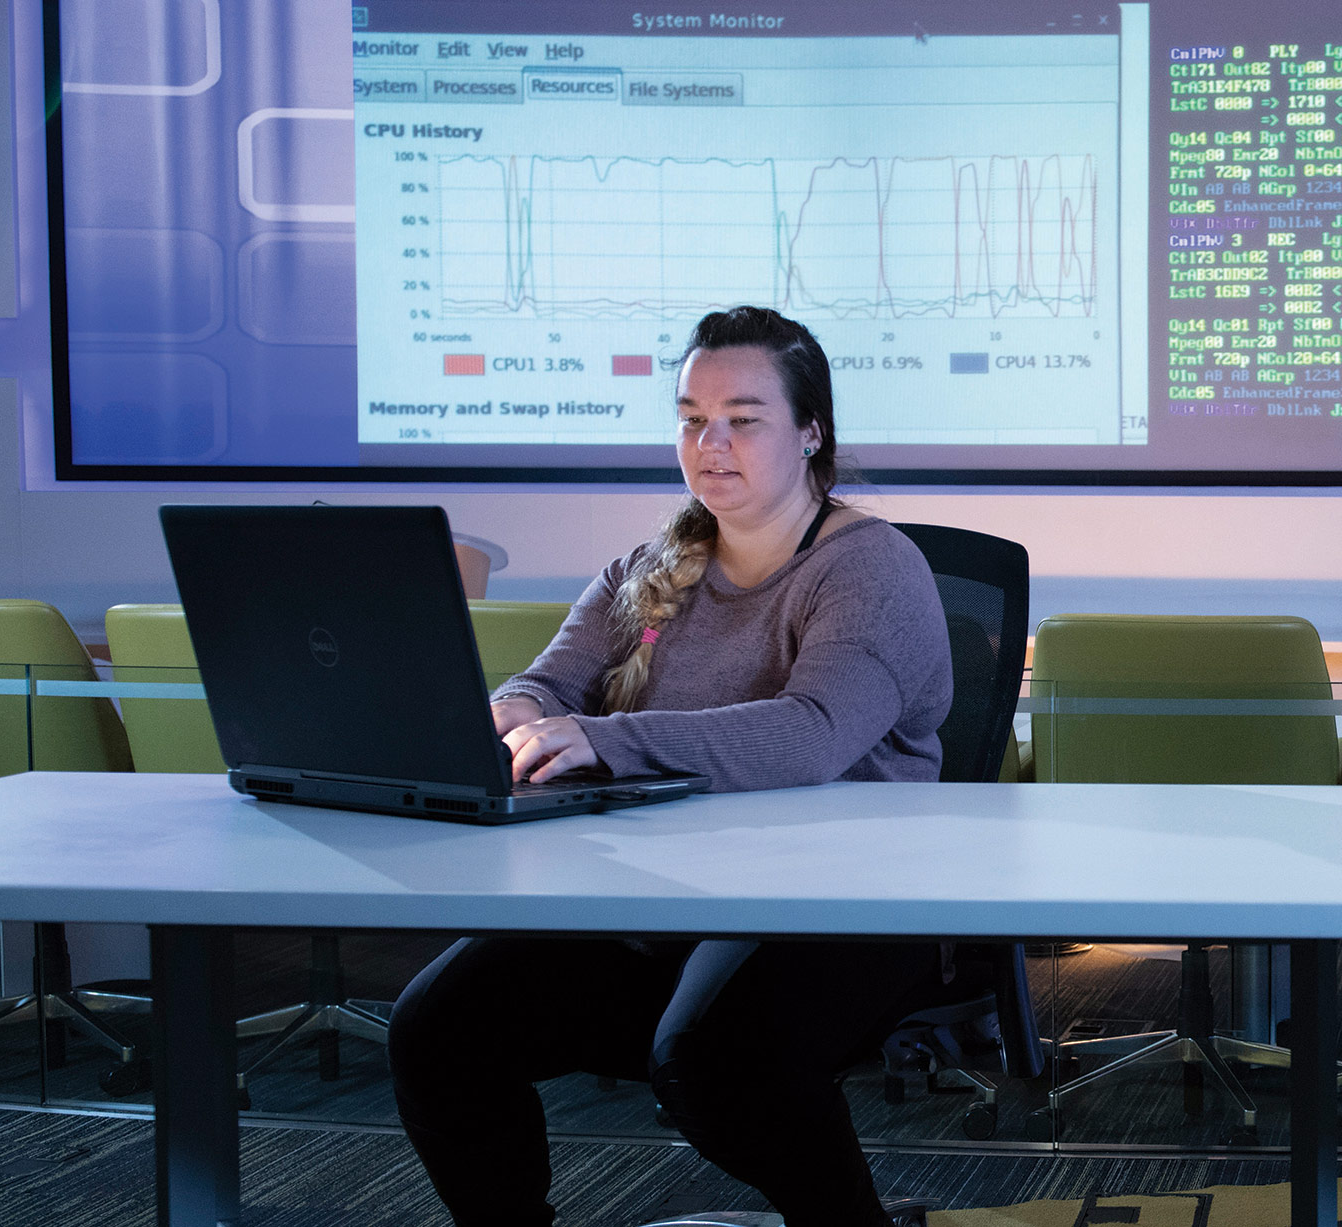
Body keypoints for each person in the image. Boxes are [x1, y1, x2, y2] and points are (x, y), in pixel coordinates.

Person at [389, 305, 957, 1227]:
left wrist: (609, 739)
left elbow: (811, 732)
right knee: (437, 1031)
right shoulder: (653, 566)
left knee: (717, 1062)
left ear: (811, 433)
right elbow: (544, 682)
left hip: (836, 906)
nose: (711, 441)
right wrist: (511, 718)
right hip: (663, 893)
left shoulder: (871, 568)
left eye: (743, 417)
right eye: (692, 417)